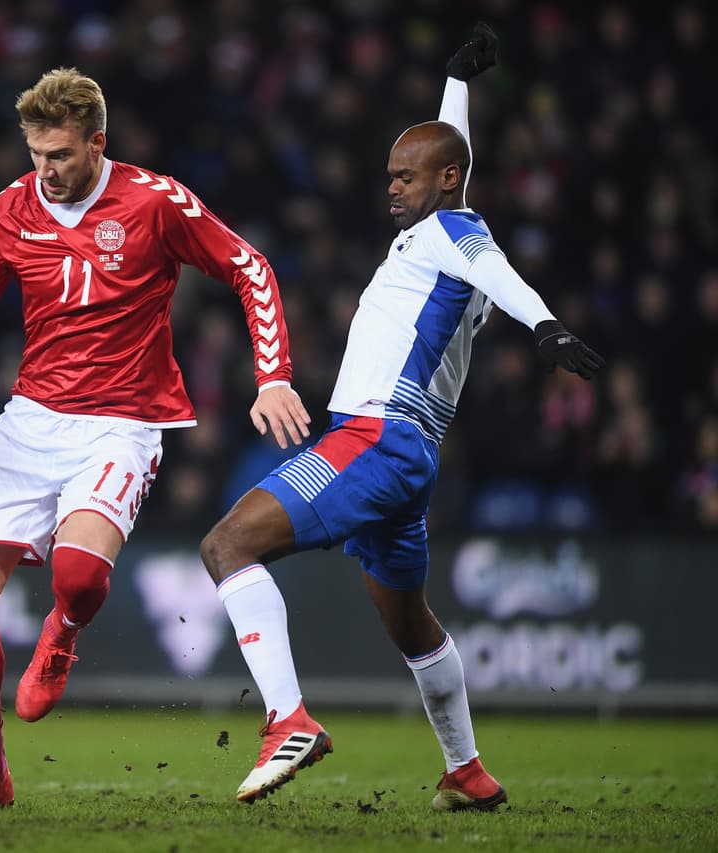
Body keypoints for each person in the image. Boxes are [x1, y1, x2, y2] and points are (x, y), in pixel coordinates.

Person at [199, 24, 604, 809]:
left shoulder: (453, 233)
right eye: (389, 174)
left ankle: (287, 720)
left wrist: (547, 325)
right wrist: (459, 83)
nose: (391, 187)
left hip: (376, 439)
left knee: (226, 544)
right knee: (413, 624)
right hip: (408, 452)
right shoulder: (438, 225)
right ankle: (468, 771)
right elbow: (459, 160)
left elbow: (496, 266)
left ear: (442, 181)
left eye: (405, 176)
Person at [0, 67, 312, 811]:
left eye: (59, 155)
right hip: (30, 421)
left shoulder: (154, 202)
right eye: (34, 154)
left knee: (79, 577)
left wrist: (271, 374)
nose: (44, 171)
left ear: (96, 142)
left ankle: (62, 632)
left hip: (121, 422)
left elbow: (250, 266)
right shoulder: (11, 208)